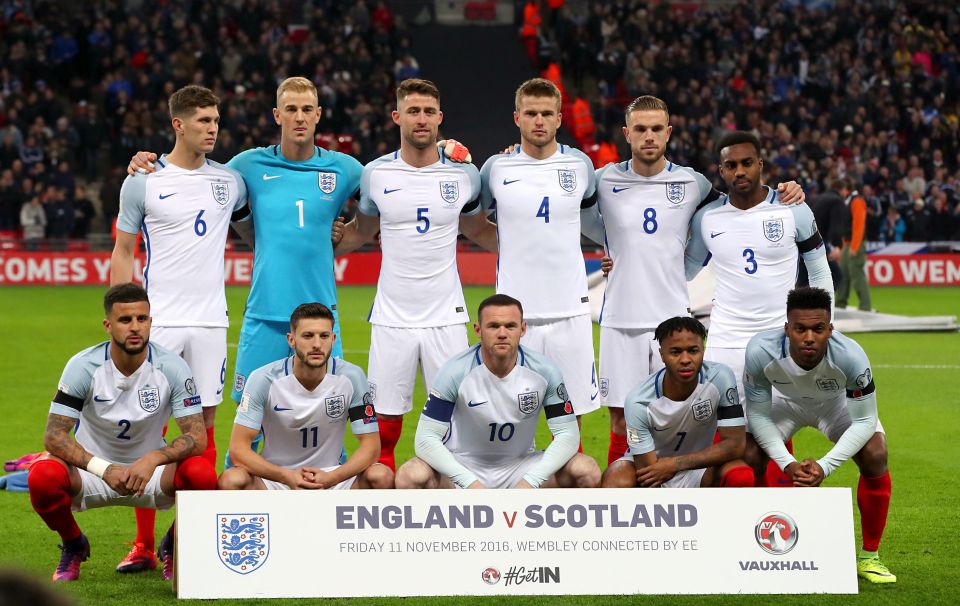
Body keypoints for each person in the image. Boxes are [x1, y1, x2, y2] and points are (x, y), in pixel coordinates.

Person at [582, 96, 805, 464]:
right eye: (640, 129)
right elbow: (574, 212)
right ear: (627, 134)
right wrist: (612, 251)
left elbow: (739, 204)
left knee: (688, 417)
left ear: (668, 133)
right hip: (619, 321)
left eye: (656, 128)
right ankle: (622, 506)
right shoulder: (604, 179)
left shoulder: (693, 183)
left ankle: (688, 500)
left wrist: (784, 192)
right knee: (622, 422)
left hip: (674, 324)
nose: (648, 136)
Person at [110, 85, 248, 574]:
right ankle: (144, 546)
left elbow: (255, 229)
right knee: (151, 430)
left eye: (216, 120)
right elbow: (124, 251)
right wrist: (122, 319)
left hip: (211, 322)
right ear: (178, 124)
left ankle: (182, 541)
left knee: (204, 432)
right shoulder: (143, 180)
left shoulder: (231, 182)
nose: (213, 128)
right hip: (160, 323)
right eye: (204, 120)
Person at [334, 79, 497, 471]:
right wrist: (327, 246)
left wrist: (530, 249)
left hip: (447, 317)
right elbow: (362, 229)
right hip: (393, 318)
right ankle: (385, 511)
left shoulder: (465, 175)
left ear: (440, 119)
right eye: (413, 111)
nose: (421, 119)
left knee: (456, 426)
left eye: (428, 112)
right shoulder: (376, 174)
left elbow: (478, 230)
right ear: (397, 117)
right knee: (384, 428)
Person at [26, 284, 216, 582]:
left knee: (202, 474)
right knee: (42, 477)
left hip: (150, 474)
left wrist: (154, 457)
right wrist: (103, 468)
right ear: (108, 325)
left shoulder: (172, 367)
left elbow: (197, 436)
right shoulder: (83, 366)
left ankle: (173, 543)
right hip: (91, 470)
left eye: (142, 319)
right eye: (125, 320)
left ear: (151, 322)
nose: (135, 327)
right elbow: (54, 436)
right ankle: (74, 543)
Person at [743, 287, 895, 584]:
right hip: (784, 403)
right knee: (748, 455)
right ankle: (757, 543)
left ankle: (869, 557)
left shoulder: (851, 355)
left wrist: (825, 466)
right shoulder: (760, 350)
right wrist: (787, 463)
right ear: (787, 328)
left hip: (836, 405)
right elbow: (759, 415)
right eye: (800, 329)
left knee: (875, 453)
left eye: (818, 329)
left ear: (830, 329)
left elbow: (865, 420)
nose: (809, 337)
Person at [478, 78, 604, 428]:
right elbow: (471, 221)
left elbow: (596, 222)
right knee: (513, 415)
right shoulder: (495, 169)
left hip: (571, 310)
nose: (538, 121)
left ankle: (566, 480)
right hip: (516, 315)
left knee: (572, 414)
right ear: (516, 118)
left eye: (546, 114)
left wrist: (614, 252)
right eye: (530, 113)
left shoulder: (580, 166)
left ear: (559, 119)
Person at [685, 131, 833, 403]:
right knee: (724, 429)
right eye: (731, 166)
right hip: (725, 340)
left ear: (760, 165)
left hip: (779, 337)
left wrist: (826, 322)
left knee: (777, 429)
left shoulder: (793, 208)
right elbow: (686, 270)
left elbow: (819, 269)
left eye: (747, 163)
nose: (739, 171)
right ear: (721, 170)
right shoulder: (707, 217)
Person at [395, 294, 600, 489]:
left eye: (510, 326)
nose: (502, 333)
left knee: (586, 471)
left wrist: (531, 481)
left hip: (521, 466)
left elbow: (568, 435)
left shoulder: (544, 370)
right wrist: (470, 483)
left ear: (523, 329)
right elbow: (425, 439)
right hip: (465, 466)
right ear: (478, 330)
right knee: (410, 476)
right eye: (493, 326)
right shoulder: (454, 371)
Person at [217, 303, 393, 491]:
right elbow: (238, 450)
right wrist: (286, 476)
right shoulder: (264, 379)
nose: (317, 344)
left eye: (324, 336)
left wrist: (332, 477)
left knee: (381, 476)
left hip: (331, 477)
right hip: (277, 480)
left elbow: (371, 447)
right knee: (232, 479)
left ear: (333, 339)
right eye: (308, 336)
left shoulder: (351, 377)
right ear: (291, 340)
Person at [601, 317, 753, 488]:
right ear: (662, 355)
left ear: (703, 349)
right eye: (675, 352)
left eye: (693, 350)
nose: (685, 359)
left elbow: (735, 445)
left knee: (739, 475)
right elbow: (649, 472)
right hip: (652, 467)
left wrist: (676, 463)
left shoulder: (720, 378)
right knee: (617, 478)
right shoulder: (638, 401)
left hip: (699, 467)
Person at [836, 179, 872, 311]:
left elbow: (859, 225)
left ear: (846, 189)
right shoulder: (848, 201)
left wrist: (855, 246)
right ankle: (840, 304)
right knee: (843, 274)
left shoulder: (857, 201)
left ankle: (865, 306)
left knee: (856, 274)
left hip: (855, 243)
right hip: (847, 243)